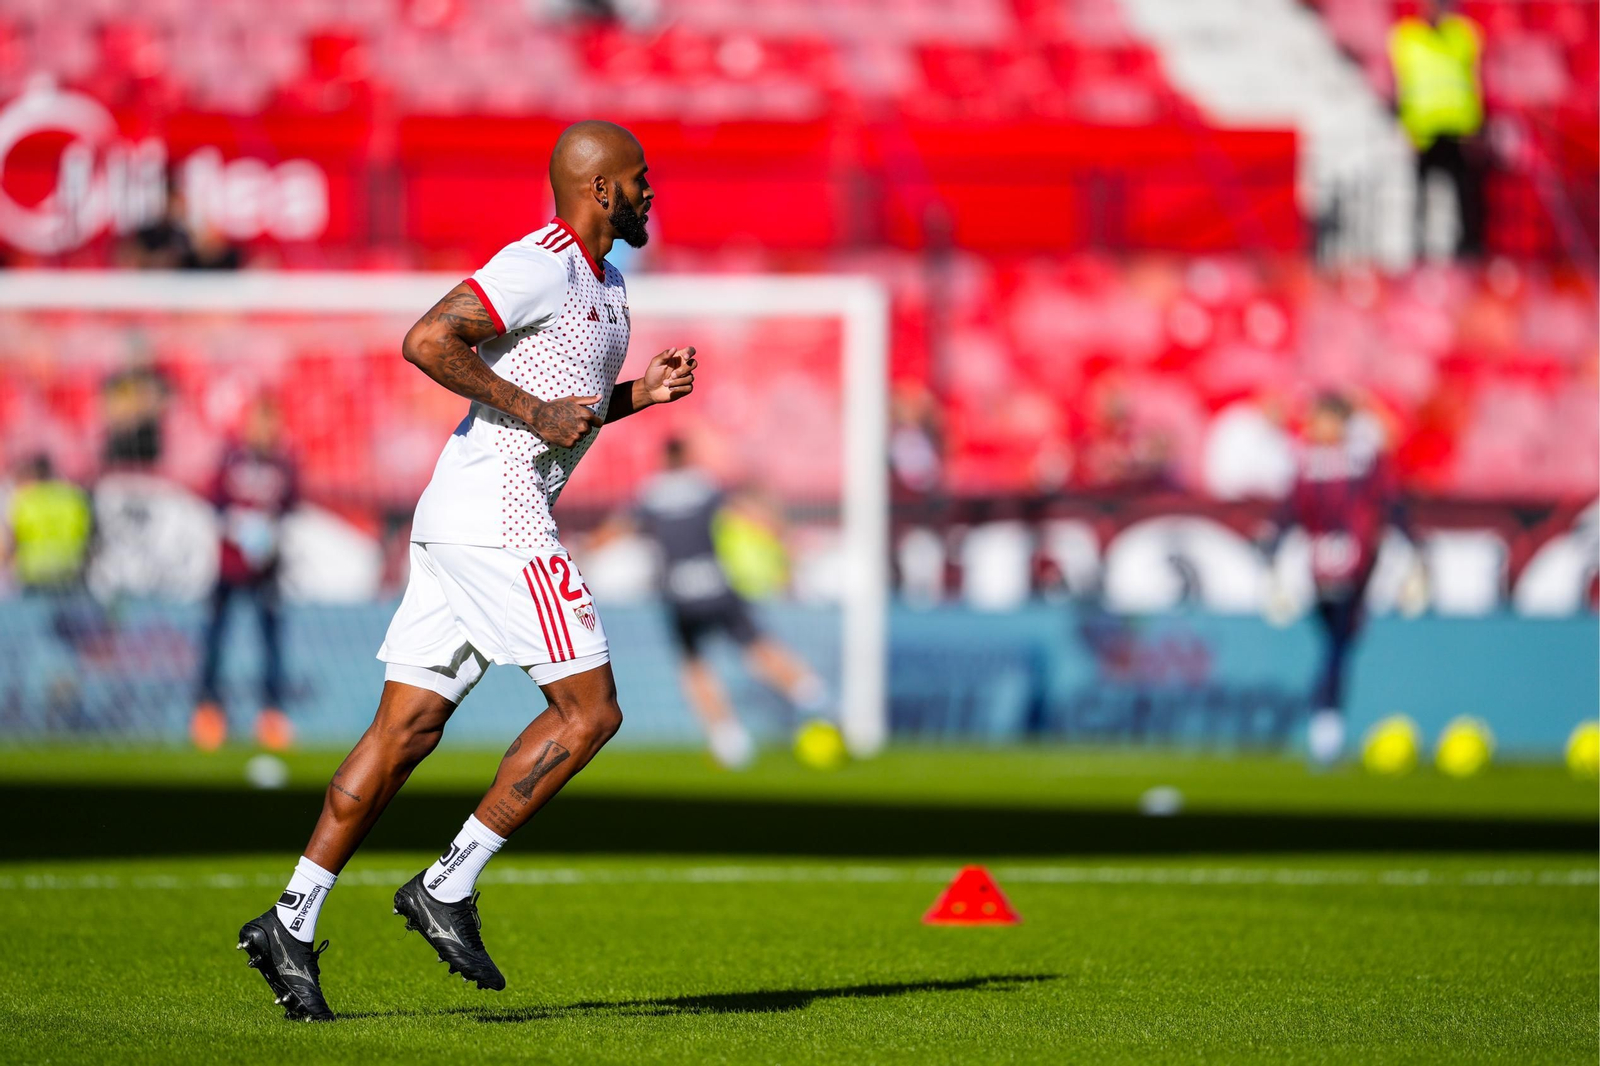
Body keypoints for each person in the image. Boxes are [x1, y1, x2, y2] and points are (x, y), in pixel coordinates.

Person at [235, 120, 697, 1022]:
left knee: (404, 730)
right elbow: (429, 340)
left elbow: (572, 408)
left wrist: (640, 395)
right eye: (640, 180)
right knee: (591, 711)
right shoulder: (544, 261)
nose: (651, 193)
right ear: (599, 188)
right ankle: (447, 883)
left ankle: (291, 918)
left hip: (464, 512)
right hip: (498, 514)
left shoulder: (607, 284)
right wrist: (527, 406)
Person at [601, 437, 831, 769]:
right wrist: (784, 538)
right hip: (716, 587)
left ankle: (729, 741)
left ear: (664, 458)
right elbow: (748, 512)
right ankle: (818, 701)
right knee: (759, 649)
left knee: (695, 666)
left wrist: (586, 546)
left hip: (680, 595)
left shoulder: (652, 493)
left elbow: (618, 528)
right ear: (689, 456)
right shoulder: (705, 486)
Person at [1263, 393, 1416, 766]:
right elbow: (1292, 508)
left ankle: (1325, 724)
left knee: (1339, 644)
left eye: (1325, 419)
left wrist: (1409, 551)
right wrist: (1272, 545)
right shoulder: (1305, 461)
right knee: (1334, 644)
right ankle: (1325, 722)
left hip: (1358, 562)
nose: (1318, 427)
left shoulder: (1363, 460)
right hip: (1317, 565)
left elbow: (1388, 503)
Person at [190, 399, 299, 752]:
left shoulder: (283, 463)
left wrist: (270, 534)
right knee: (215, 641)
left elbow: (290, 507)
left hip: (266, 569)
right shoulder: (230, 458)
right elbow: (215, 503)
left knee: (270, 644)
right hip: (229, 566)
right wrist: (241, 528)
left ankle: (271, 716)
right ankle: (209, 713)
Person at [1389, 0, 1486, 258]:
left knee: (1463, 196)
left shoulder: (1463, 36)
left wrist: (1474, 124)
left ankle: (1467, 251)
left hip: (1457, 129)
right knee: (1421, 198)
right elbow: (1402, 85)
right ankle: (1418, 250)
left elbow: (1472, 81)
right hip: (1424, 131)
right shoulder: (1408, 37)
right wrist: (1407, 126)